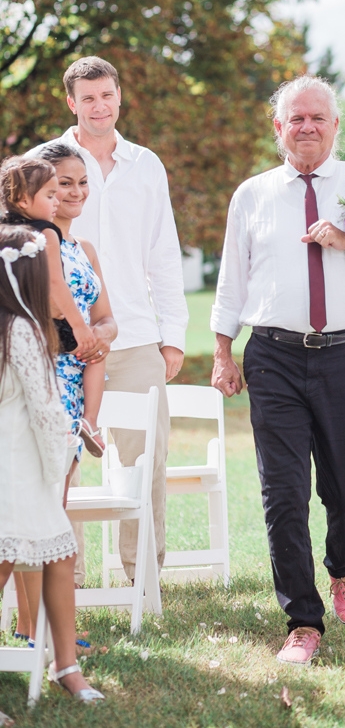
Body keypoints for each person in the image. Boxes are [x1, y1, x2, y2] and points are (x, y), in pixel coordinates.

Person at [210, 75, 345, 665]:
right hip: (272, 355)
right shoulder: (252, 194)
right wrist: (224, 352)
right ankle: (303, 620)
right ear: (278, 128)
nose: (306, 127)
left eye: (317, 118)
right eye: (295, 119)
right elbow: (232, 279)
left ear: (335, 125)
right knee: (283, 491)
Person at [37, 55, 188, 580]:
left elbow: (164, 254)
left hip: (137, 337)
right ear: (71, 102)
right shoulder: (43, 162)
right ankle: (66, 576)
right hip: (57, 345)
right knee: (60, 463)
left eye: (107, 95)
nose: (99, 106)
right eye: (88, 98)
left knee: (147, 460)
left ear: (119, 96)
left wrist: (173, 338)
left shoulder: (147, 165)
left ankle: (142, 572)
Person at [0, 225, 104, 703]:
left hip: (19, 461)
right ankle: (65, 664)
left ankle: (66, 665)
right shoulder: (22, 329)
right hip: (21, 465)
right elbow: (43, 408)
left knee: (59, 555)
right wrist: (58, 457)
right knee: (24, 557)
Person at [0, 154, 113, 458]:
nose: (62, 197)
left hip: (32, 344)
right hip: (51, 352)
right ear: (23, 199)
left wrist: (99, 332)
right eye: (55, 191)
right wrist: (79, 326)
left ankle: (87, 422)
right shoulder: (45, 233)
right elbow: (55, 285)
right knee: (51, 459)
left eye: (82, 182)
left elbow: (105, 316)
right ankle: (90, 421)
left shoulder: (10, 235)